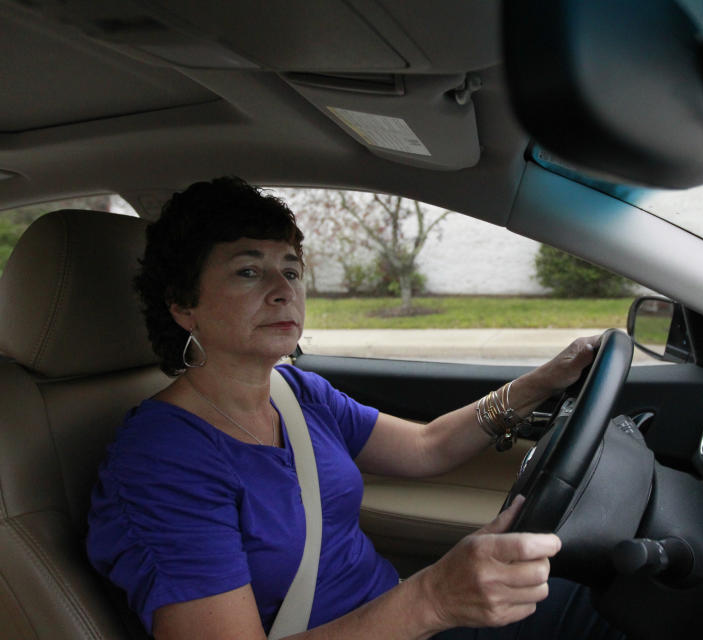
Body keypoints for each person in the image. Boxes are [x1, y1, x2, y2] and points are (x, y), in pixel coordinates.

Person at [86, 177, 623, 640]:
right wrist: (433, 597)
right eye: (248, 271)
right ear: (183, 306)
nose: (282, 290)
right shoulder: (162, 461)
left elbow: (425, 447)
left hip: (402, 619)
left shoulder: (296, 392)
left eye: (291, 270)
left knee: (616, 597)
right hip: (408, 618)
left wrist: (541, 383)